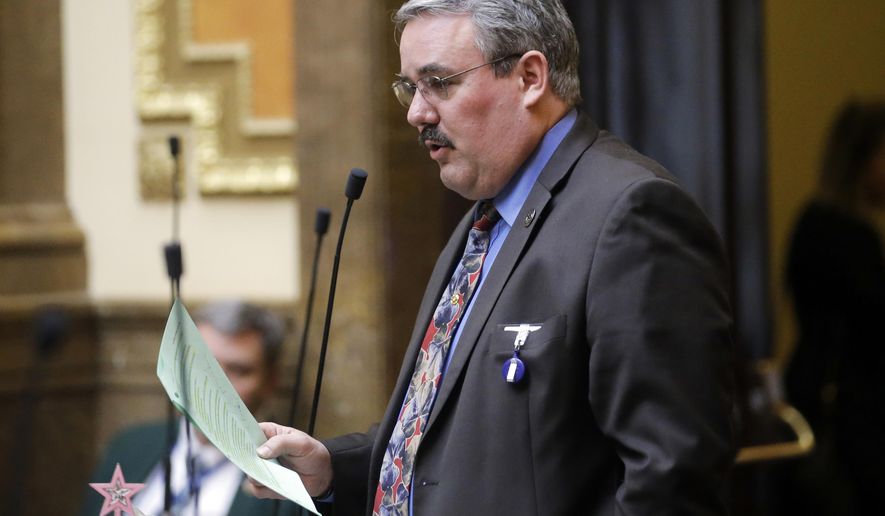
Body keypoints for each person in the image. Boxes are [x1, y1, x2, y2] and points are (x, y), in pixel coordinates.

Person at [249, 1, 735, 514]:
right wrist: (332, 470)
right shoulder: (486, 220)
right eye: (410, 87)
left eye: (439, 83)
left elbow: (671, 480)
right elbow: (454, 442)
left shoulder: (631, 215)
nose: (417, 113)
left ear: (529, 78)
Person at [81, 300, 301, 516]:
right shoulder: (129, 445)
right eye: (201, 364)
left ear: (270, 381)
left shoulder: (289, 482)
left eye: (238, 370)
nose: (215, 384)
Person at [780, 100, 885, 515]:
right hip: (847, 419)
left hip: (812, 397)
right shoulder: (852, 238)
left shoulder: (812, 221)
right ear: (862, 160)